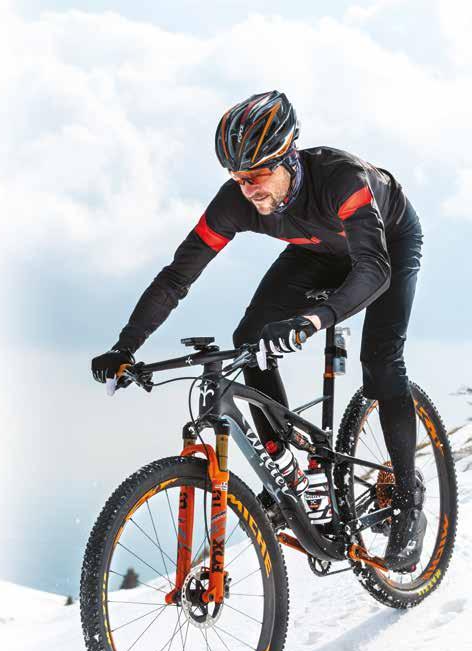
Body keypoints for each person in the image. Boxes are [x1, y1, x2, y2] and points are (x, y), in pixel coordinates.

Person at [91, 90, 426, 572]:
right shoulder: (235, 202)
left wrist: (312, 320)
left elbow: (373, 270)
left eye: (256, 175)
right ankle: (286, 465)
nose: (247, 189)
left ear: (288, 156)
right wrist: (125, 346)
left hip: (387, 244)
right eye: (237, 177)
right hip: (317, 250)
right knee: (250, 337)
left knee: (381, 361)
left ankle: (409, 503)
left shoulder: (342, 179)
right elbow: (178, 276)